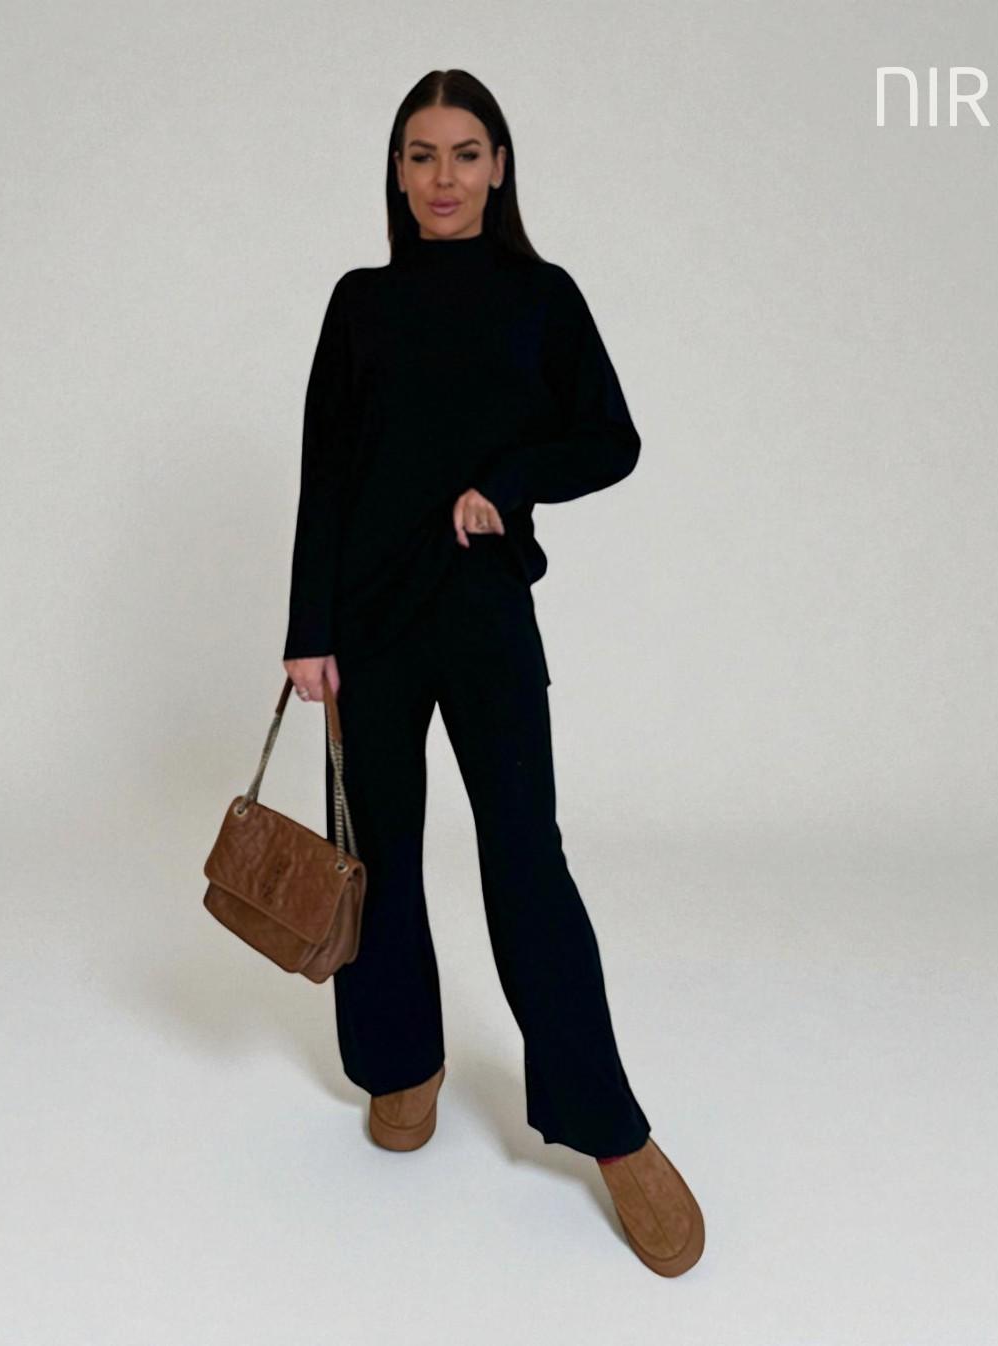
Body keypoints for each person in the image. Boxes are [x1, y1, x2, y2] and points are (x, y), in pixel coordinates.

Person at [280, 69, 704, 1278]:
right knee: (374, 856)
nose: (443, 177)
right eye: (420, 154)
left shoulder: (541, 296)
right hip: (367, 624)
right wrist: (308, 628)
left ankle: (610, 1129)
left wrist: (508, 483)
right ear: (395, 171)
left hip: (480, 616)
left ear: (499, 166)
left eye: (465, 153)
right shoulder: (359, 302)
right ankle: (399, 1062)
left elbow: (608, 436)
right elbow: (324, 469)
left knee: (526, 860)